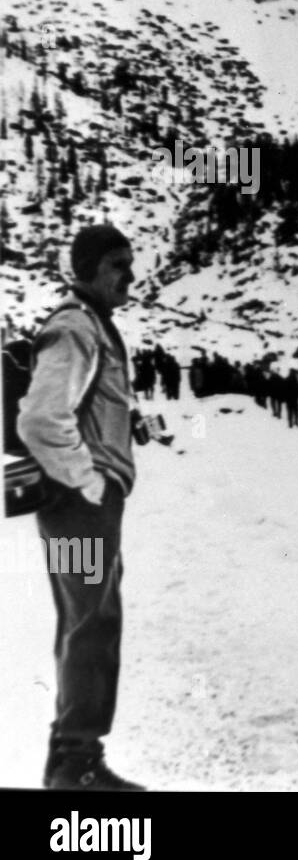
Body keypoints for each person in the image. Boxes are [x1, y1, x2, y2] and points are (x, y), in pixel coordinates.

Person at [17, 224, 144, 790]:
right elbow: (42, 418)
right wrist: (87, 482)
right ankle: (77, 764)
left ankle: (70, 758)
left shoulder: (92, 326)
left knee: (88, 621)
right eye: (118, 264)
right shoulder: (74, 329)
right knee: (91, 623)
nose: (130, 275)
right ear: (89, 267)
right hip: (80, 507)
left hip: (87, 505)